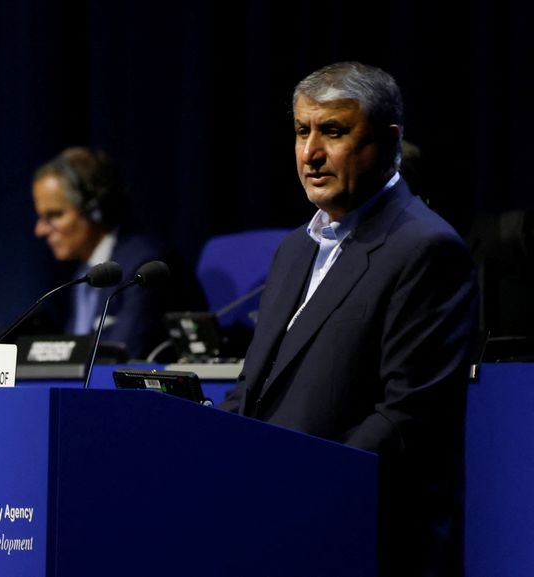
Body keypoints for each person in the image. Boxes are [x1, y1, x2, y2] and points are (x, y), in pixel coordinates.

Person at [218, 62, 479, 577]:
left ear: (388, 140)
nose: (311, 153)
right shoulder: (295, 248)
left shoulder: (426, 249)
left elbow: (405, 419)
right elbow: (253, 389)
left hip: (365, 540)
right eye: (301, 131)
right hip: (276, 533)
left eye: (333, 131)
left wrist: (295, 490)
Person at [30, 146, 204, 360]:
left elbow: (120, 357)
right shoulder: (83, 276)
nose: (40, 230)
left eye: (54, 215)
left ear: (94, 209)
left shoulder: (143, 266)